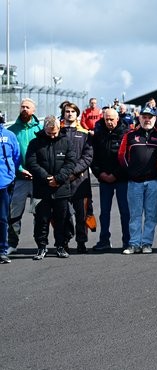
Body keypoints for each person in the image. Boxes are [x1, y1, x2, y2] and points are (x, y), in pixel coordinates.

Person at [27, 116, 77, 259]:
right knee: (41, 220)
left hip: (61, 188)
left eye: (55, 132)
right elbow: (31, 162)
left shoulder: (66, 142)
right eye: (49, 133)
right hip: (41, 189)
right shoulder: (35, 143)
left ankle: (60, 246)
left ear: (59, 128)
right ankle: (41, 247)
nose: (53, 135)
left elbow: (71, 162)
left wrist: (58, 179)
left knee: (61, 219)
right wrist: (47, 178)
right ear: (44, 129)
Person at [118, 106, 157, 254]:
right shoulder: (130, 135)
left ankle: (147, 243)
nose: (147, 119)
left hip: (154, 181)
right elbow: (121, 155)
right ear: (139, 118)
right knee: (135, 214)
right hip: (134, 182)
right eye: (144, 117)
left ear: (155, 119)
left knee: (151, 215)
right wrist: (129, 172)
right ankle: (134, 243)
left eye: (150, 117)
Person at [90, 108, 130, 251]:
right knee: (104, 212)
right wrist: (100, 174)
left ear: (117, 119)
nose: (109, 122)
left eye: (112, 119)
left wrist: (116, 174)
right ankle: (104, 240)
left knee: (125, 211)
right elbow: (92, 157)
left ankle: (127, 240)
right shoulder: (98, 135)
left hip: (121, 179)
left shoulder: (126, 134)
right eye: (106, 119)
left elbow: (128, 157)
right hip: (104, 179)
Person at [7, 98, 43, 253]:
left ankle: (40, 244)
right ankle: (12, 244)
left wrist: (39, 171)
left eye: (27, 107)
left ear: (33, 110)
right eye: (22, 107)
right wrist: (20, 169)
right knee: (14, 213)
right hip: (20, 178)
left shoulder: (41, 129)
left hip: (38, 178)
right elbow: (11, 155)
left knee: (39, 212)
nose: (24, 109)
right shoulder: (13, 130)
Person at [59, 102, 94, 254]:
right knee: (63, 214)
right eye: (67, 111)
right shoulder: (57, 133)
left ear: (77, 114)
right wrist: (65, 174)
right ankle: (65, 241)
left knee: (82, 214)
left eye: (73, 111)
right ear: (63, 114)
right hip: (63, 180)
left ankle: (81, 242)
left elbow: (88, 156)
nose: (70, 114)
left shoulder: (85, 134)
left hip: (80, 181)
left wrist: (75, 171)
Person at [0, 112, 20, 264]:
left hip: (4, 182)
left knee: (3, 218)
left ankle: (2, 250)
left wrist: (11, 175)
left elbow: (16, 156)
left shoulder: (9, 135)